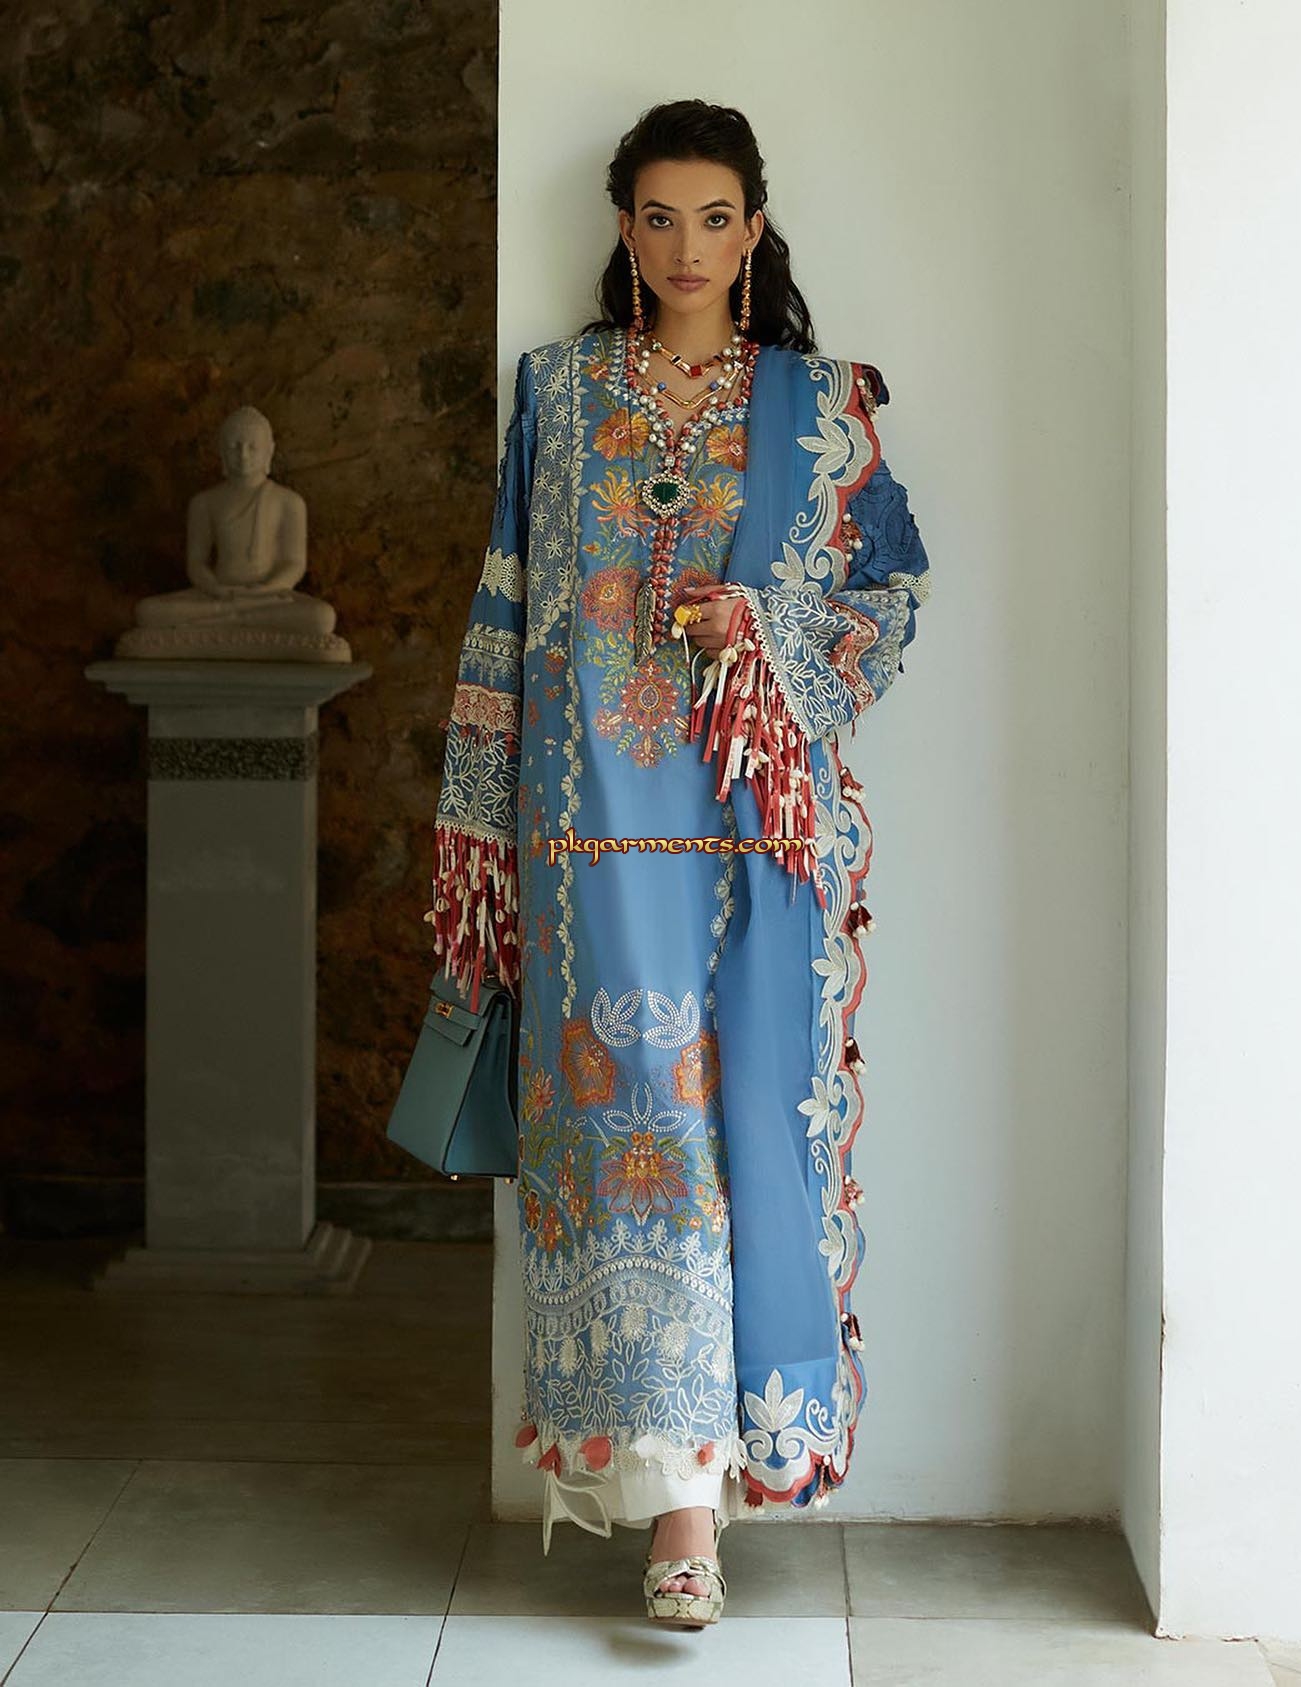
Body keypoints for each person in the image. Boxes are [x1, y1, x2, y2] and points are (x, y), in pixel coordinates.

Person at [428, 98, 932, 1630]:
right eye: (660, 218)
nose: (688, 247)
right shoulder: (559, 393)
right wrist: (477, 829)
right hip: (590, 844)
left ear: (753, 229)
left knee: (744, 1150)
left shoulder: (818, 407)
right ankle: (678, 1519)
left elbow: (891, 597)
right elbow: (506, 608)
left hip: (756, 840)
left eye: (715, 218)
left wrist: (762, 628)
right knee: (631, 1146)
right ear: (624, 231)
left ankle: (730, 1471)